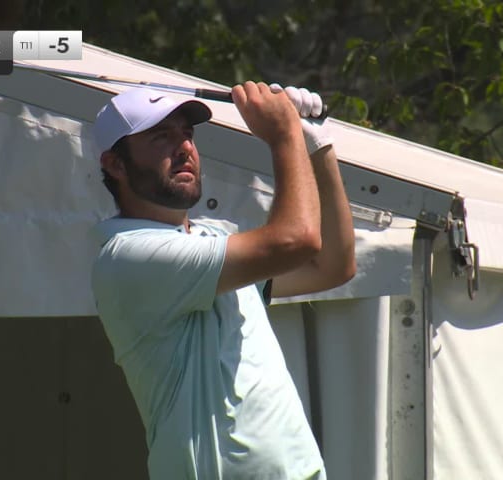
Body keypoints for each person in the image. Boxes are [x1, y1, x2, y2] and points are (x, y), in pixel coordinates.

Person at [90, 81, 356, 479]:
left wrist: (317, 148)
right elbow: (296, 240)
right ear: (115, 164)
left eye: (187, 134)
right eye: (161, 136)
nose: (184, 148)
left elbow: (332, 266)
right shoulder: (129, 255)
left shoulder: (213, 238)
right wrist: (284, 135)